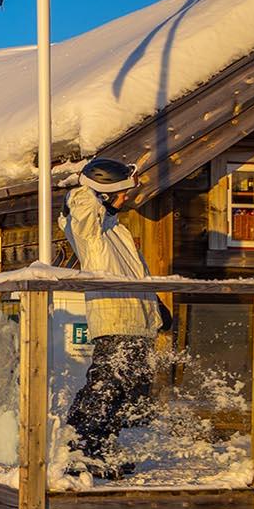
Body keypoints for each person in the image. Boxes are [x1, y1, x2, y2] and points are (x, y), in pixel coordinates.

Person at [61, 157, 164, 478]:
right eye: (120, 193)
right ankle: (80, 445)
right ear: (103, 194)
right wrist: (89, 187)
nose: (126, 199)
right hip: (116, 318)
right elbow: (80, 205)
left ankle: (101, 445)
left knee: (122, 388)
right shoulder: (89, 230)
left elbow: (134, 273)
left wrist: (158, 306)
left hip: (136, 318)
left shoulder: (114, 229)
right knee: (107, 385)